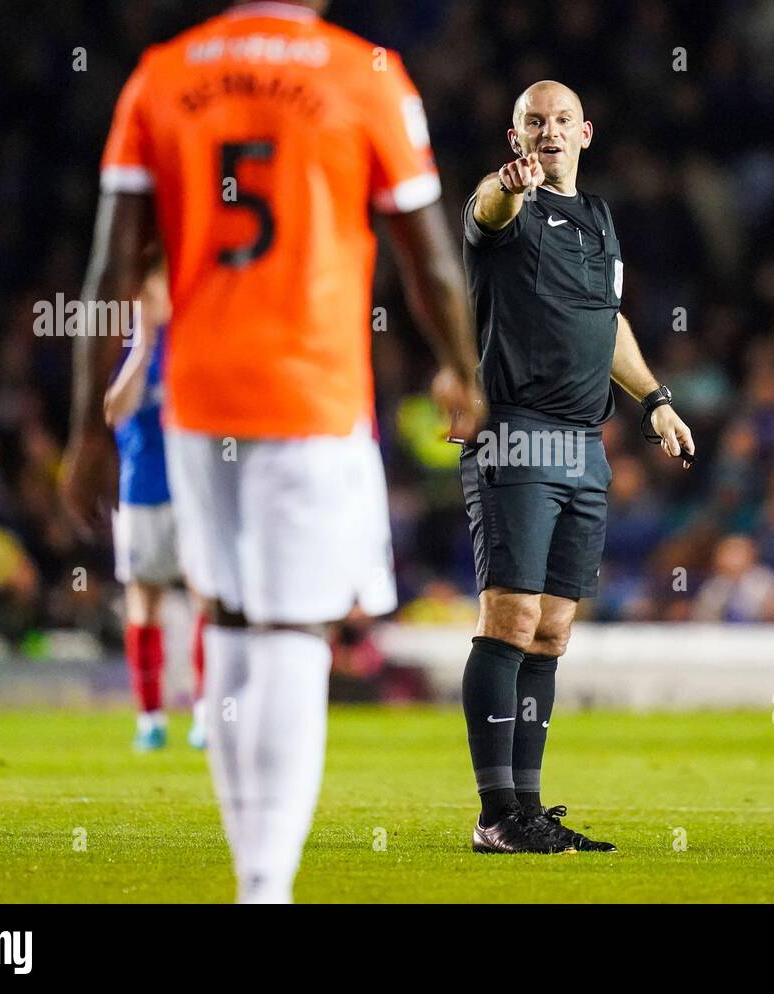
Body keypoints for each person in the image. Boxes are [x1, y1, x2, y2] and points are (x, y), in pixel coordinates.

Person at [61, 0, 482, 903]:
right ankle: (264, 888)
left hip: (197, 402)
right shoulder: (364, 73)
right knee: (293, 632)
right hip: (310, 391)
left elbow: (107, 272)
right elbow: (430, 257)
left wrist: (86, 429)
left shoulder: (162, 73)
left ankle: (255, 878)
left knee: (234, 624)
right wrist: (460, 368)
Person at [457, 80, 694, 854]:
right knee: (510, 620)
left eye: (561, 120)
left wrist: (655, 399)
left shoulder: (597, 220)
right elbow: (488, 209)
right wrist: (504, 184)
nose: (548, 130)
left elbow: (608, 321)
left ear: (586, 133)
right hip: (517, 436)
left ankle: (525, 809)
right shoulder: (506, 207)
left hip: (584, 444)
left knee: (552, 634)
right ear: (515, 133)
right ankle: (496, 814)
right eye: (534, 121)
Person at [103, 261, 207, 751]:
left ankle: (206, 711)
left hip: (191, 492)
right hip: (140, 493)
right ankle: (150, 717)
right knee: (144, 603)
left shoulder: (191, 343)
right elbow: (113, 410)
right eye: (147, 292)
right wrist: (142, 349)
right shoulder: (129, 348)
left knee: (206, 595)